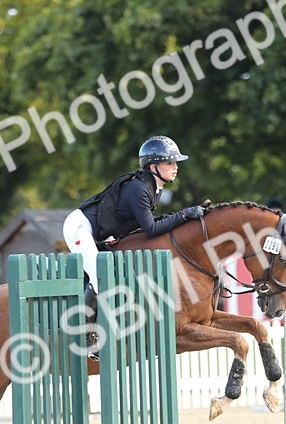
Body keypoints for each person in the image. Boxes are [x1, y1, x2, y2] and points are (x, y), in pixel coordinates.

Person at [63, 135, 207, 317]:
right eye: (169, 163)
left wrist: (184, 216)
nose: (175, 167)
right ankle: (85, 330)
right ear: (153, 166)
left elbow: (150, 221)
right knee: (100, 278)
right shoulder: (139, 188)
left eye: (175, 163)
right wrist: (184, 214)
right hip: (79, 228)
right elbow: (151, 229)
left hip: (99, 232)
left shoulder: (155, 188)